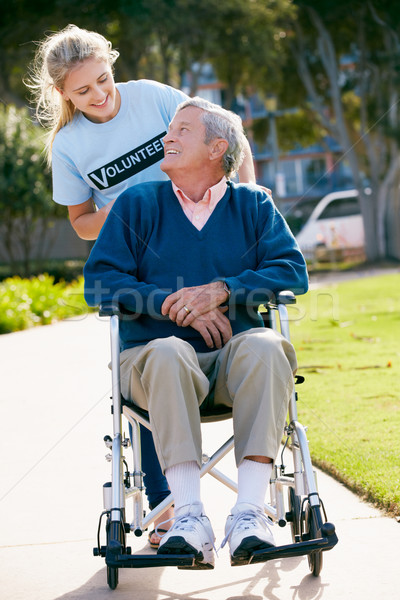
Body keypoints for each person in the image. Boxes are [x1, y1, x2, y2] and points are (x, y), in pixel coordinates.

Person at [26, 24, 258, 548]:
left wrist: (243, 199)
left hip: (202, 240)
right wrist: (120, 212)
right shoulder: (69, 145)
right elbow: (81, 221)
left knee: (251, 343)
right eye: (83, 90)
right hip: (140, 264)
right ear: (62, 93)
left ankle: (252, 505)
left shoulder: (153, 97)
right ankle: (169, 509)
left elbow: (226, 134)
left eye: (104, 80)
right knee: (155, 359)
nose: (100, 95)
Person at [84, 97, 308, 568]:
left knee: (267, 345)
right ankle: (188, 518)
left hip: (232, 367)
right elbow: (100, 281)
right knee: (167, 351)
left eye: (183, 130)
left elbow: (292, 271)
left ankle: (249, 515)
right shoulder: (137, 204)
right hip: (152, 364)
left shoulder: (253, 205)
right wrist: (173, 303)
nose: (168, 137)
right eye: (171, 128)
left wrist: (223, 291)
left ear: (216, 147)